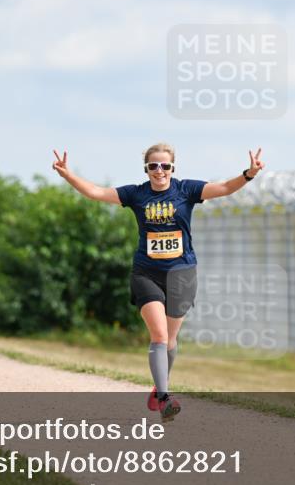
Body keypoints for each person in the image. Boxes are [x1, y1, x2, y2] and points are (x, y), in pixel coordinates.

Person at [52, 143, 265, 420]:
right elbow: (96, 192)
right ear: (146, 169)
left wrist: (248, 174)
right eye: (153, 166)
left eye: (165, 166)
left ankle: (159, 387)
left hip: (182, 273)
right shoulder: (136, 194)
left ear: (172, 168)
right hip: (146, 273)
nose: (159, 171)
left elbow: (224, 188)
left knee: (172, 340)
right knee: (160, 336)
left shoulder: (186, 190)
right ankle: (165, 398)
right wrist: (68, 175)